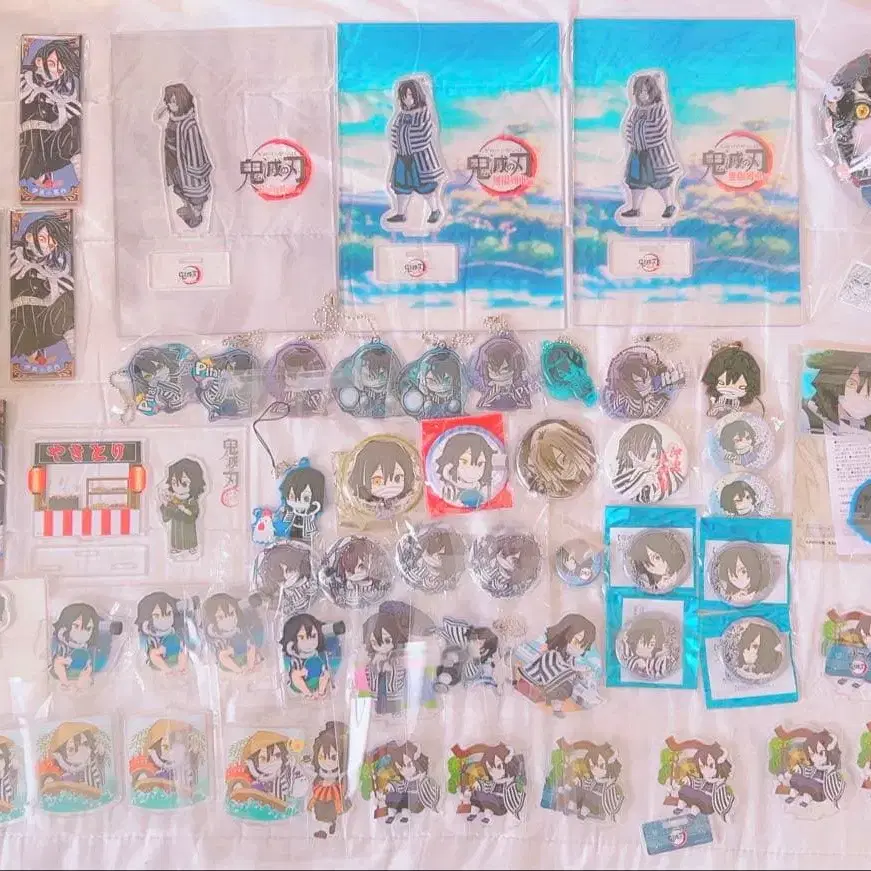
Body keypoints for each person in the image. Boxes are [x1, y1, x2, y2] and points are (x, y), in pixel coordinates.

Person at [619, 72, 681, 221]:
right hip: (637, 153)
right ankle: (635, 208)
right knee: (635, 181)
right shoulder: (636, 110)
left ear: (653, 92)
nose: (643, 95)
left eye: (646, 91)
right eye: (639, 92)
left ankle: (669, 205)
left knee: (661, 181)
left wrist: (642, 133)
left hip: (655, 154)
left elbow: (659, 129)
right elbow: (629, 128)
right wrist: (635, 138)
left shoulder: (659, 108)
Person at [384, 78, 445, 226]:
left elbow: (424, 134)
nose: (407, 99)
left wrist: (408, 139)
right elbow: (395, 132)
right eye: (404, 96)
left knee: (425, 186)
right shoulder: (401, 114)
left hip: (420, 159)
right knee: (401, 186)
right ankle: (400, 213)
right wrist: (399, 144)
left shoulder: (423, 113)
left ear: (417, 95)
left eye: (411, 95)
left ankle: (435, 210)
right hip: (402, 157)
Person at [156, 83, 213, 228]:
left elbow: (195, 149)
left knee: (193, 194)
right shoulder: (172, 118)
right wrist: (165, 106)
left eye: (174, 101)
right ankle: (190, 210)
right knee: (180, 189)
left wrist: (196, 170)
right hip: (174, 163)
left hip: (188, 168)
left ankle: (196, 216)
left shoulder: (189, 124)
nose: (170, 104)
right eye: (169, 101)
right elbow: (156, 118)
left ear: (182, 101)